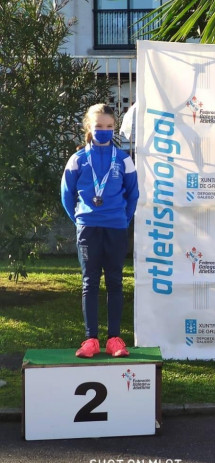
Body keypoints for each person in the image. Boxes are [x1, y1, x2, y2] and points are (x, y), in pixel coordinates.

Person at [61, 103, 139, 358]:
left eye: (108, 127)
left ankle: (114, 339)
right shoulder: (78, 159)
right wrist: (80, 218)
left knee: (115, 282)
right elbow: (66, 193)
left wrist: (122, 219)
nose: (104, 131)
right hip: (88, 227)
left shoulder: (124, 159)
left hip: (116, 227)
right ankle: (90, 340)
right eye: (99, 127)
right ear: (89, 128)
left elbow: (133, 193)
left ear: (114, 128)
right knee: (90, 282)